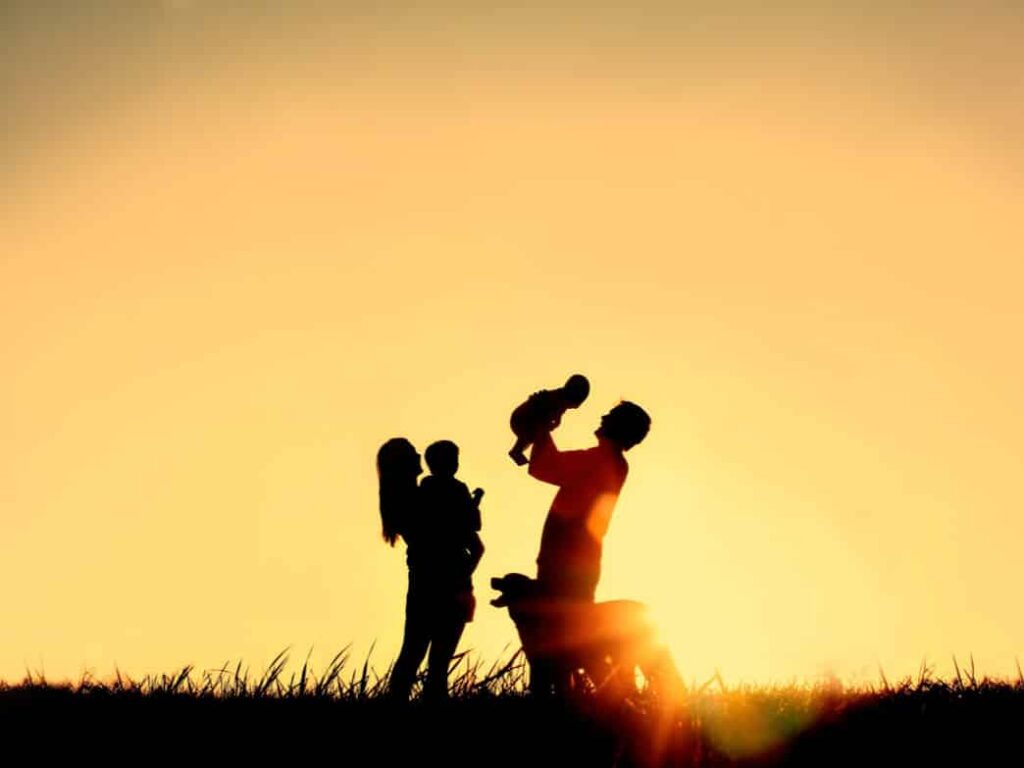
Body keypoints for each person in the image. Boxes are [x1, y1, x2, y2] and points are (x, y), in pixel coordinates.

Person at [377, 437, 484, 701]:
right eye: (414, 452)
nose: (419, 455)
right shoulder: (421, 497)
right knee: (432, 660)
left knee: (415, 653)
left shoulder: (413, 498)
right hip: (447, 582)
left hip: (429, 582)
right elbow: (467, 535)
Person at [527, 400, 650, 603]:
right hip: (578, 562)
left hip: (565, 562)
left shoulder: (600, 460)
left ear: (620, 426)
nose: (603, 417)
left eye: (611, 415)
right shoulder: (615, 463)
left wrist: (541, 426)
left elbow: (543, 466)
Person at [508, 374, 590, 466]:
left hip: (527, 420)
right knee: (532, 435)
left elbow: (557, 417)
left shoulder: (560, 402)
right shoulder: (556, 399)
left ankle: (520, 452)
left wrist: (554, 423)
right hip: (522, 419)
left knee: (534, 436)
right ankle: (517, 451)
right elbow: (543, 409)